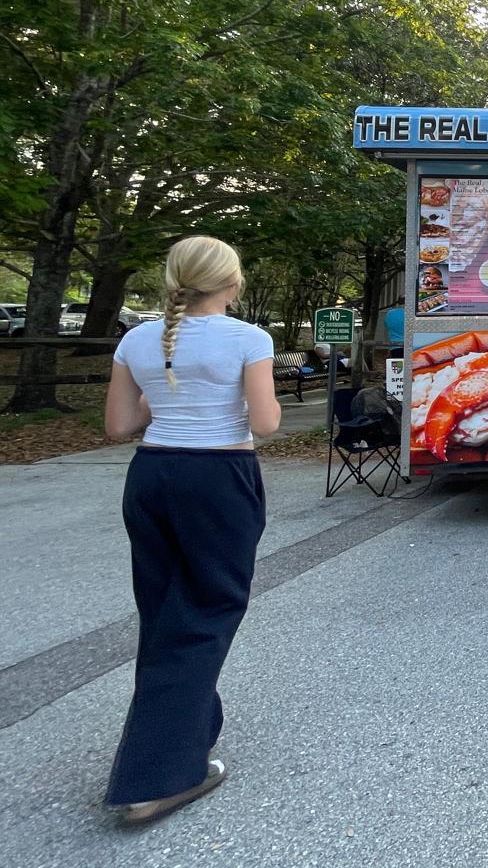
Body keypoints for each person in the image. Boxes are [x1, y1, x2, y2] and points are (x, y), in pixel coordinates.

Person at [101, 236, 279, 823]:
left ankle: (188, 733)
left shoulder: (135, 340)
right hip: (218, 477)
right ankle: (153, 779)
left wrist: (170, 392)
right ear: (233, 282)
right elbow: (266, 422)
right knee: (206, 613)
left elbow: (120, 425)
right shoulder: (249, 339)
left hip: (152, 475)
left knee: (166, 610)